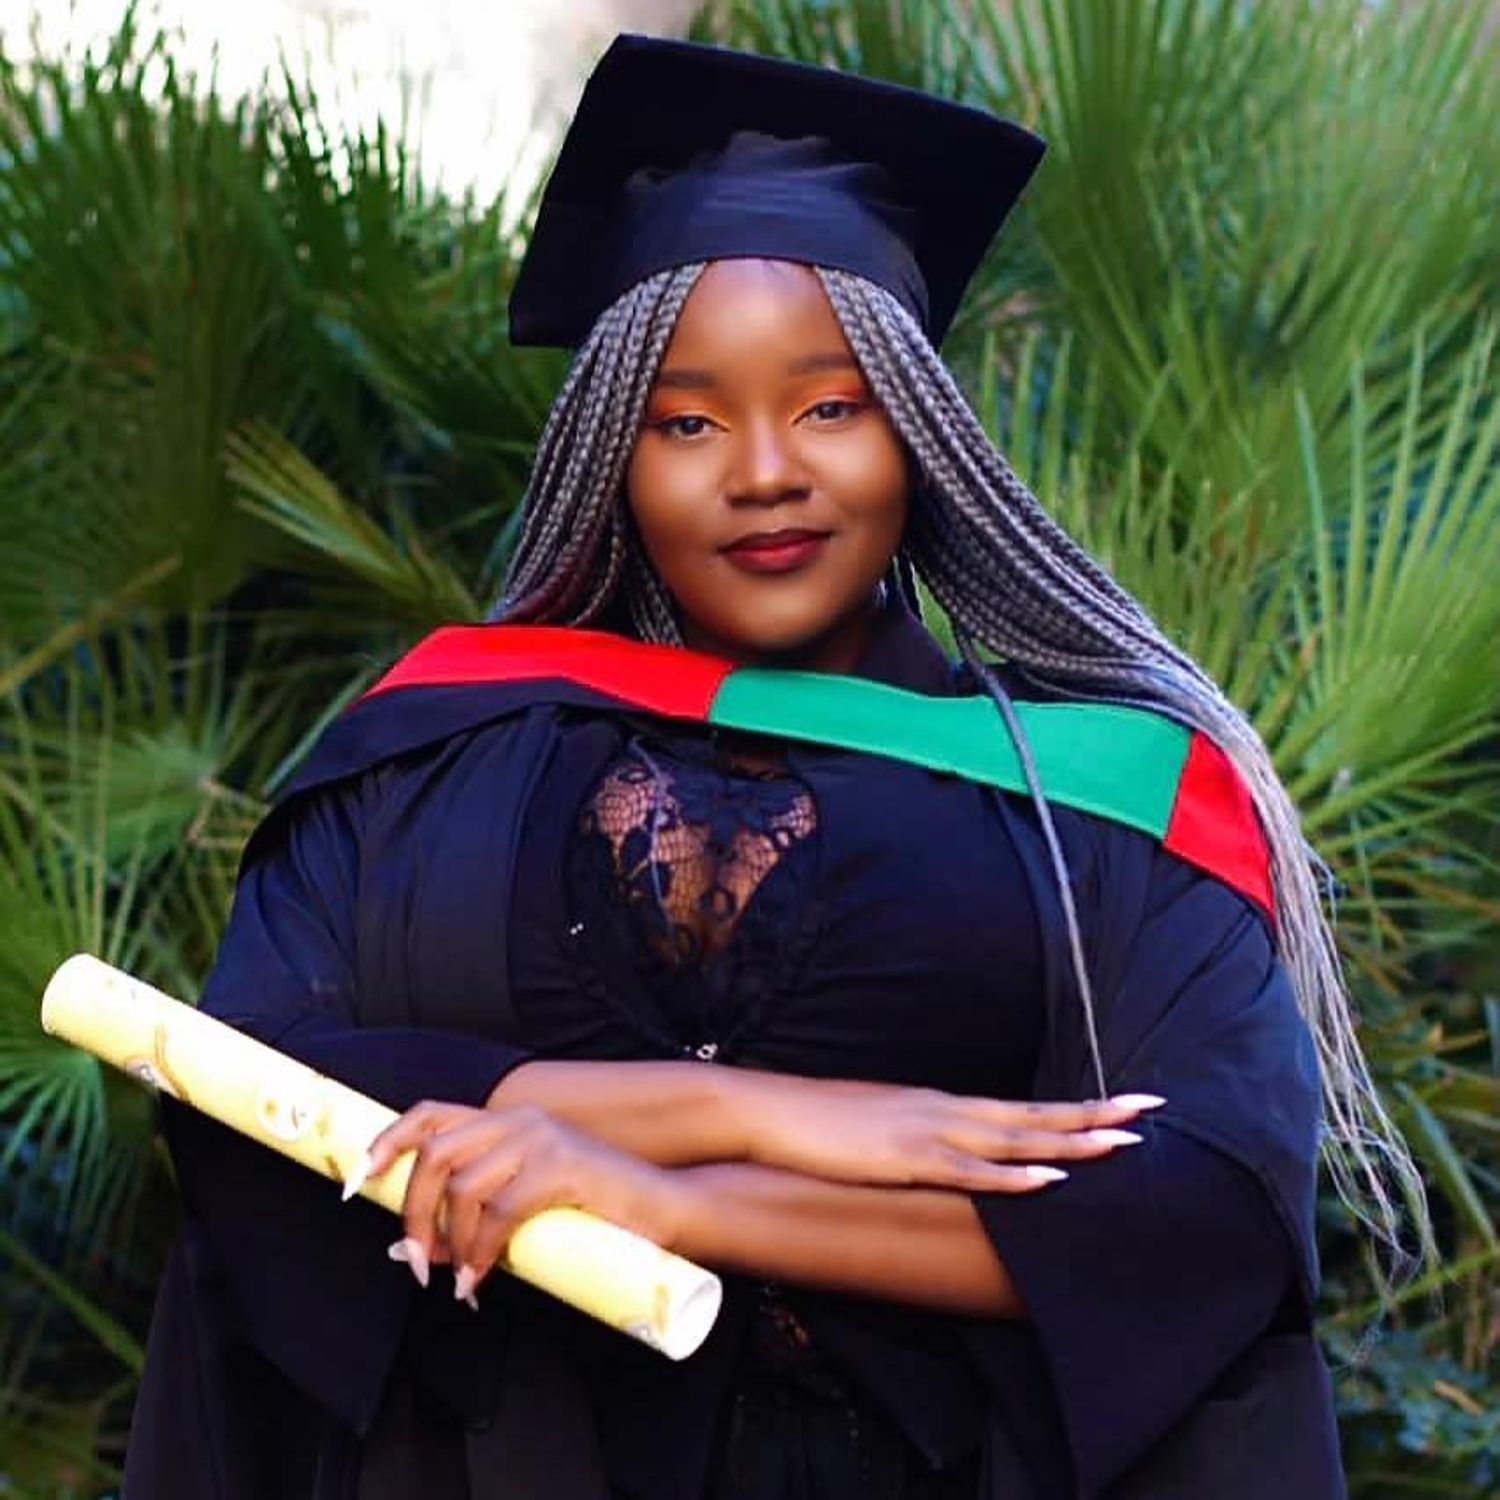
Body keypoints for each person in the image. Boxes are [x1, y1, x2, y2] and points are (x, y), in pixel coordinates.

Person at [123, 33, 1418, 1500]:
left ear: (919, 436)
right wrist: (766, 1114)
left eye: (829, 407)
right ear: (613, 458)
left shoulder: (1096, 797)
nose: (763, 472)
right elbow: (252, 1094)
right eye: (686, 422)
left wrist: (679, 1199)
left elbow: (1206, 1216)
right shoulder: (437, 748)